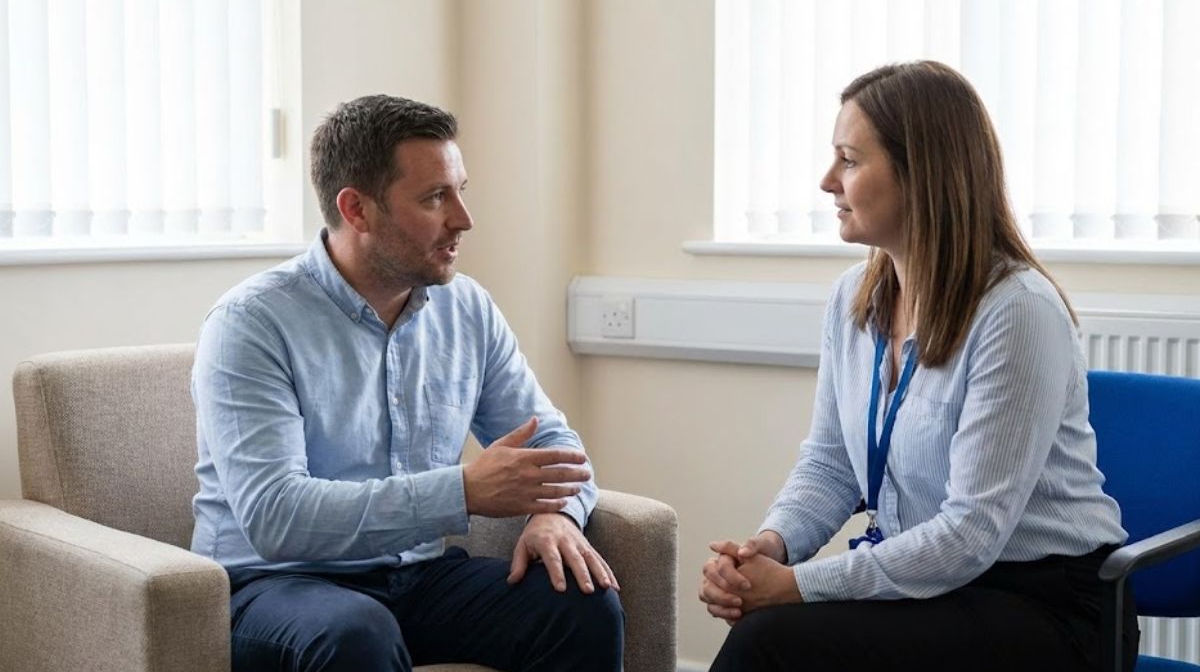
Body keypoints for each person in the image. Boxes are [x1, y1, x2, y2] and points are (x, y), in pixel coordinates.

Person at [698, 61, 1138, 672]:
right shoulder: (854, 299)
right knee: (774, 628)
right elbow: (830, 463)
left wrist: (796, 585)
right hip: (934, 586)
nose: (828, 181)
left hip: (1044, 604)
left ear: (920, 175)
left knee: (771, 640)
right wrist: (768, 549)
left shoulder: (1017, 312)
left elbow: (969, 535)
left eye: (850, 160)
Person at [191, 94, 623, 672]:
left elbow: (553, 446)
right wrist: (462, 491)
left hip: (414, 576)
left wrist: (554, 514)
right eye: (434, 198)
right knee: (354, 634)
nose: (463, 219)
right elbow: (277, 516)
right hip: (272, 586)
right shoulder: (252, 323)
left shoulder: (466, 308)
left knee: (582, 605)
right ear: (356, 209)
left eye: (461, 190)